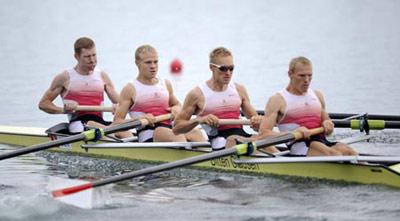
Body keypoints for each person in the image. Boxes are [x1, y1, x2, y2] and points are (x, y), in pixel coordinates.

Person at [173, 47, 278, 153]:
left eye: (231, 68)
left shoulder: (239, 90)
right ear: (212, 68)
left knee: (262, 138)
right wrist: (198, 120)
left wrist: (258, 121)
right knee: (235, 139)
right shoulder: (197, 94)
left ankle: (281, 160)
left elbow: (258, 126)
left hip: (243, 138)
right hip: (222, 143)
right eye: (223, 69)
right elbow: (176, 128)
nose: (228, 73)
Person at [258, 56, 358, 156]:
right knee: (334, 154)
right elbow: (263, 134)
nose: (307, 80)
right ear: (290, 74)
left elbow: (328, 128)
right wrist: (292, 134)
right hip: (300, 146)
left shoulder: (317, 95)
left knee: (350, 152)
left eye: (309, 75)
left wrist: (328, 124)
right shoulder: (278, 100)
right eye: (301, 76)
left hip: (323, 141)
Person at [113, 44, 205, 142]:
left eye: (155, 62)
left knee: (196, 132)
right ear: (137, 63)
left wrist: (176, 109)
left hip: (170, 130)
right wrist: (139, 119)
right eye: (148, 62)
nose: (153, 66)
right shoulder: (130, 89)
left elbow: (178, 105)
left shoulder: (165, 84)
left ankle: (210, 156)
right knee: (170, 133)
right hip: (150, 135)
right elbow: (117, 122)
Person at [38, 37, 119, 133]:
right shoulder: (65, 77)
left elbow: (120, 102)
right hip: (78, 123)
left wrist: (118, 107)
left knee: (122, 129)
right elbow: (43, 104)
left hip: (99, 122)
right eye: (87, 56)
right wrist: (63, 110)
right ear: (76, 56)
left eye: (94, 55)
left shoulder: (102, 76)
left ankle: (132, 143)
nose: (92, 60)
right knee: (95, 126)